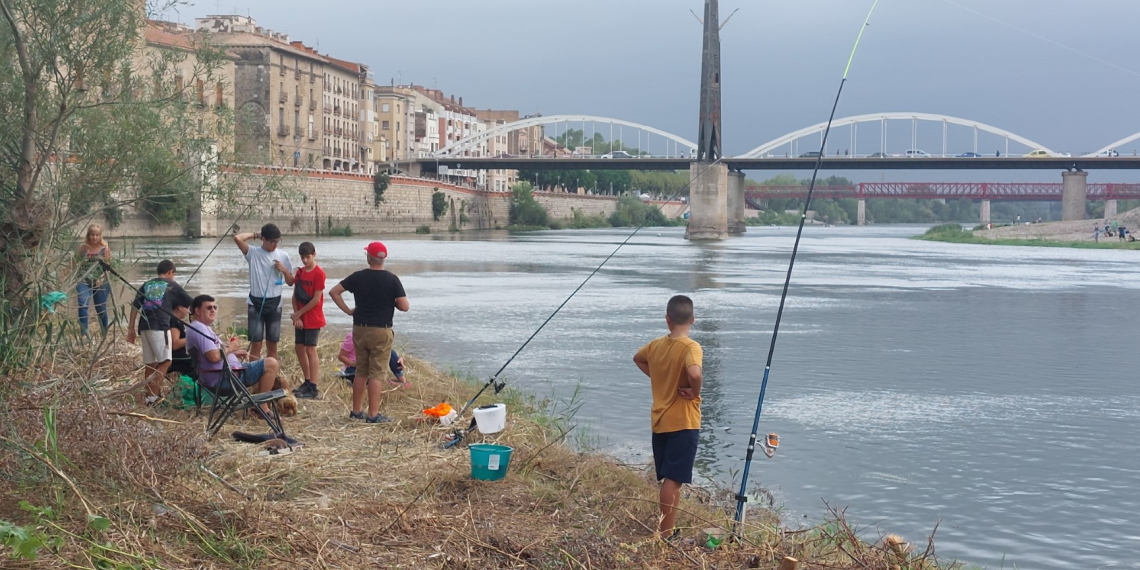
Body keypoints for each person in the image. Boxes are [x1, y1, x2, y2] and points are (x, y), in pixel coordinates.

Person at [632, 295, 704, 540]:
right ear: (692, 320)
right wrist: (695, 392)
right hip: (683, 422)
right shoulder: (691, 347)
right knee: (673, 481)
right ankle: (665, 534)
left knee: (669, 479)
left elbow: (638, 358)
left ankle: (665, 530)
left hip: (660, 422)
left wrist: (660, 378)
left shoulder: (656, 345)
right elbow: (694, 373)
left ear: (667, 320)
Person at [329, 241, 409, 423]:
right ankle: (373, 414)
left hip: (360, 329)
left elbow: (334, 292)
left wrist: (348, 311)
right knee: (377, 373)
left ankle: (356, 411)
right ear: (383, 259)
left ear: (369, 257)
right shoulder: (392, 279)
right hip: (381, 330)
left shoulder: (358, 277)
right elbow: (404, 306)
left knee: (361, 371)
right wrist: (393, 302)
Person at [184, 295, 280, 416]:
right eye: (209, 308)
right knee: (271, 363)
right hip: (224, 379)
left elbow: (213, 353)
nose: (213, 310)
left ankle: (260, 404)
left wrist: (234, 353)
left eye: (215, 307)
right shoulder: (199, 329)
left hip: (224, 375)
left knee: (267, 364)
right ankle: (262, 406)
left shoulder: (201, 328)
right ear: (197, 311)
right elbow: (214, 357)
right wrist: (231, 347)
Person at [126, 260, 194, 405]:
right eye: (173, 275)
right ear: (170, 272)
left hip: (144, 326)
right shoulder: (172, 285)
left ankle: (149, 397)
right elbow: (192, 302)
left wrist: (131, 328)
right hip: (160, 326)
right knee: (166, 361)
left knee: (151, 363)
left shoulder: (146, 284)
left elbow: (134, 306)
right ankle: (155, 394)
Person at [234, 223, 294, 361]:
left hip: (275, 303)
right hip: (255, 302)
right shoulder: (253, 253)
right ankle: (255, 375)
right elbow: (238, 238)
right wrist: (255, 234)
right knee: (256, 343)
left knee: (272, 343)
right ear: (264, 239)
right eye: (272, 241)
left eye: (277, 241)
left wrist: (284, 270)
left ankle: (271, 374)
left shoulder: (283, 255)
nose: (275, 245)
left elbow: (291, 282)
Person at [291, 242, 326, 399]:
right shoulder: (300, 273)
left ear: (314, 255)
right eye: (302, 258)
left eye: (308, 257)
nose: (305, 261)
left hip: (313, 317)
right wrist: (296, 314)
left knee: (310, 350)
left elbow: (316, 300)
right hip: (300, 316)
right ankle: (306, 380)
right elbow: (295, 295)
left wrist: (299, 314)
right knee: (299, 348)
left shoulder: (319, 274)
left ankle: (313, 386)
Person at [75, 223, 112, 336]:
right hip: (84, 280)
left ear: (100, 236)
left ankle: (104, 332)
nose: (94, 237)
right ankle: (84, 334)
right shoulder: (83, 248)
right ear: (88, 235)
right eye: (92, 235)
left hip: (101, 282)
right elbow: (75, 263)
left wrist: (100, 278)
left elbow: (108, 268)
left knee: (100, 307)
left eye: (97, 235)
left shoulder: (104, 248)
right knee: (83, 304)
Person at [337, 331, 406, 387]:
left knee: (391, 353)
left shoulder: (377, 335)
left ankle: (403, 382)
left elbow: (384, 351)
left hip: (371, 364)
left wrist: (399, 358)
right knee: (363, 378)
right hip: (355, 367)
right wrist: (353, 363)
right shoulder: (353, 336)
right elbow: (341, 356)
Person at [168, 302, 194, 380]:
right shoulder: (173, 321)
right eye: (187, 308)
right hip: (180, 361)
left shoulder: (178, 321)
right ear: (180, 307)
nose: (188, 312)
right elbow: (175, 344)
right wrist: (193, 337)